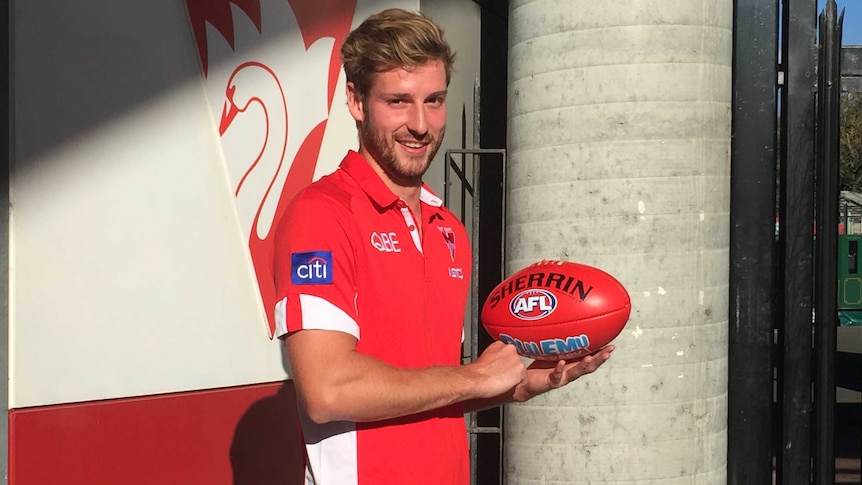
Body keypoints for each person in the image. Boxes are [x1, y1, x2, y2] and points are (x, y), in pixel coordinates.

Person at [272, 8, 614, 485]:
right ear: (355, 100)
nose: (421, 124)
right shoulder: (321, 214)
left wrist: (519, 383)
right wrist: (476, 376)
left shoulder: (448, 229)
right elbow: (328, 389)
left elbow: (430, 386)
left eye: (434, 100)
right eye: (398, 101)